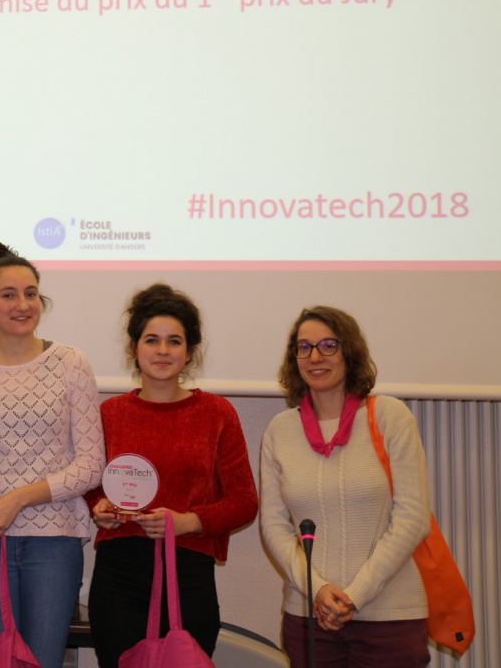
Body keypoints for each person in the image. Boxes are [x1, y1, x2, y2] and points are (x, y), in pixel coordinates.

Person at [0, 243, 104, 668]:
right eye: (8, 294)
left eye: (31, 294)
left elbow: (91, 465)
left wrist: (16, 499)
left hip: (55, 543)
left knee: (43, 660)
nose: (23, 304)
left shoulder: (71, 363)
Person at [84, 284, 258, 664]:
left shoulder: (217, 414)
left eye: (174, 341)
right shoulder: (109, 414)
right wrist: (99, 507)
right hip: (119, 576)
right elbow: (91, 484)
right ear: (134, 348)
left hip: (188, 575)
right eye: (152, 340)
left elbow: (245, 502)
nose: (162, 350)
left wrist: (188, 522)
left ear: (189, 351)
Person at [260, 306, 431, 667]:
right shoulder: (280, 430)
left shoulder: (390, 417)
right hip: (309, 616)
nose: (315, 356)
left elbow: (413, 519)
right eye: (304, 347)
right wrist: (318, 589)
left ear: (349, 351)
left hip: (390, 617)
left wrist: (355, 594)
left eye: (328, 345)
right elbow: (273, 526)